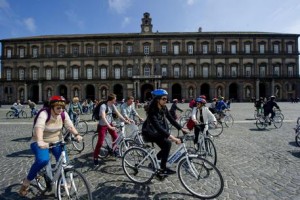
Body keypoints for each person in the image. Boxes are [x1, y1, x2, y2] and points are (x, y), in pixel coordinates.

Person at [18, 96, 82, 197]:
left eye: (62, 108)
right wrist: (40, 141)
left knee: (64, 161)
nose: (61, 110)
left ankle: (62, 181)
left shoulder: (63, 114)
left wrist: (76, 134)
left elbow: (70, 125)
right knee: (43, 160)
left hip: (57, 141)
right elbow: (39, 127)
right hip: (40, 141)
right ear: (51, 107)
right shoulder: (44, 113)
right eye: (58, 108)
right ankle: (26, 182)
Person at [142, 89, 188, 176]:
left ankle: (154, 162)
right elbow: (158, 128)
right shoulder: (152, 112)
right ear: (157, 100)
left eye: (166, 98)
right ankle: (163, 168)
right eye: (163, 99)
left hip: (157, 132)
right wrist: (173, 138)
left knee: (165, 146)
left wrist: (181, 128)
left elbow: (171, 119)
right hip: (149, 133)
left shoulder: (164, 107)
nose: (166, 100)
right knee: (167, 144)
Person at [93, 93, 131, 166]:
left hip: (109, 124)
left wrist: (125, 120)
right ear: (112, 99)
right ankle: (95, 157)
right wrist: (109, 127)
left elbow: (118, 114)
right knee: (100, 142)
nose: (116, 100)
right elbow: (103, 118)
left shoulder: (112, 105)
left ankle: (114, 150)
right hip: (102, 125)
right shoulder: (103, 106)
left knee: (115, 137)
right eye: (115, 99)